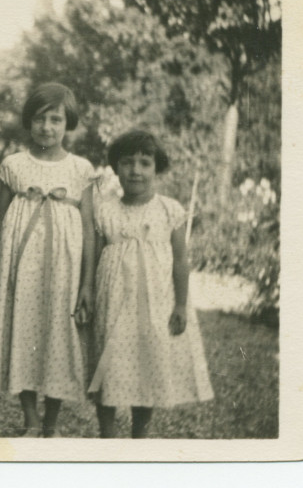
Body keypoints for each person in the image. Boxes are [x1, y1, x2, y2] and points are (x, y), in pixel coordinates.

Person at [0, 83, 96, 437]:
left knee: (57, 334)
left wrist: (87, 283)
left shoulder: (81, 169)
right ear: (28, 122)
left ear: (68, 123)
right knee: (22, 330)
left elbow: (90, 228)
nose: (47, 127)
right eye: (39, 119)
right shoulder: (14, 164)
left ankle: (52, 421)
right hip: (22, 265)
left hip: (63, 267)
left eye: (55, 119)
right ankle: (31, 418)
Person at [89, 130, 214, 438]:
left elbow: (181, 261)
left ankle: (140, 434)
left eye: (145, 163)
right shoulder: (105, 211)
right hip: (114, 304)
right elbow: (93, 258)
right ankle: (106, 434)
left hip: (155, 305)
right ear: (116, 168)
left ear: (157, 168)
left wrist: (181, 305)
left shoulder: (169, 210)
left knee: (147, 364)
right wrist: (88, 293)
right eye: (128, 163)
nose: (136, 170)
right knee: (109, 364)